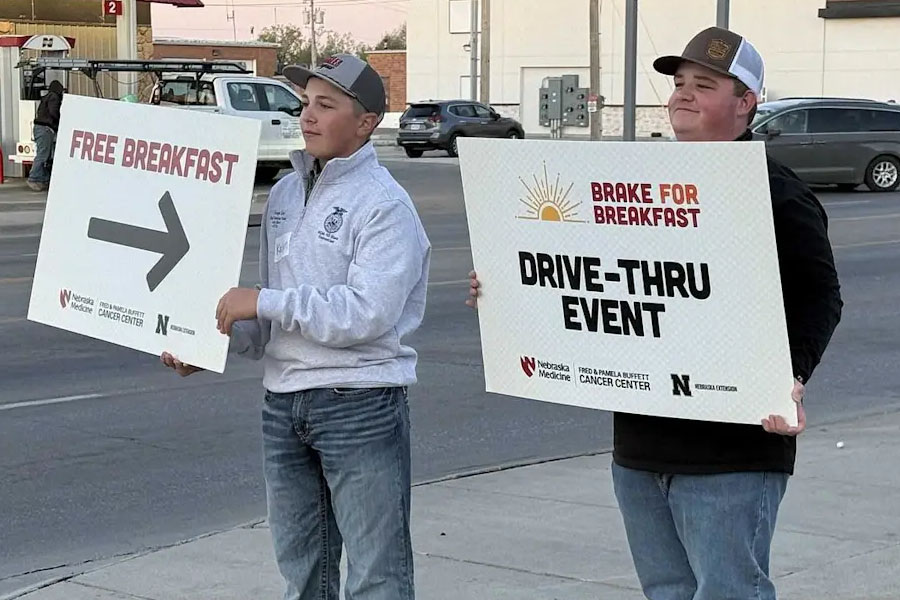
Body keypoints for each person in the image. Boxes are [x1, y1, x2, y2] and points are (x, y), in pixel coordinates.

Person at [467, 27, 842, 600]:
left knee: (729, 591)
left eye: (705, 85)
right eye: (679, 83)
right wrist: (509, 289)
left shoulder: (775, 193)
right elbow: (592, 277)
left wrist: (788, 377)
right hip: (640, 445)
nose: (683, 95)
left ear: (746, 104)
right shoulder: (642, 180)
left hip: (731, 452)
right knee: (666, 591)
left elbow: (821, 297)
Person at [162, 54, 431, 600]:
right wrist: (212, 339)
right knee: (303, 569)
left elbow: (365, 314)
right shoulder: (284, 194)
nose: (308, 115)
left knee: (377, 574)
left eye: (326, 105)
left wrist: (260, 301)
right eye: (305, 102)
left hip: (360, 403)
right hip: (283, 406)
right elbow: (269, 322)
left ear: (367, 121)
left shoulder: (385, 207)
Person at [27, 80, 64, 192]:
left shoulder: (45, 98)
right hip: (46, 129)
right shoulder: (54, 97)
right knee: (43, 155)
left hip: (39, 128)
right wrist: (60, 122)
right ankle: (33, 178)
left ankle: (43, 179)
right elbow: (54, 112)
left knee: (46, 155)